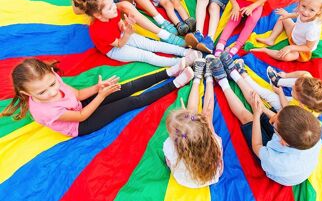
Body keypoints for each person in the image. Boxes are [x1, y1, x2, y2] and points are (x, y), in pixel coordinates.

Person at [0, 58, 194, 137]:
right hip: (81, 123)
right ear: (27, 94)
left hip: (78, 105)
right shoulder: (45, 110)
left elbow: (76, 95)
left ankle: (169, 72)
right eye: (42, 92)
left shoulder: (52, 78)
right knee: (131, 101)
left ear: (52, 73)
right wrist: (101, 96)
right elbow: (82, 116)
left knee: (126, 87)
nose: (51, 92)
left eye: (52, 84)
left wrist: (98, 87)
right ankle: (175, 84)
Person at [209, 56, 322, 186]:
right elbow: (278, 117)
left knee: (247, 117)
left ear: (282, 140)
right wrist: (261, 109)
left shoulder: (275, 160)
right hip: (290, 147)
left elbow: (257, 146)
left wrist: (257, 117)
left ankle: (223, 81)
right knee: (257, 103)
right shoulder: (312, 130)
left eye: (274, 124)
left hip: (277, 167)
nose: (272, 119)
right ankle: (234, 74)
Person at [73, 0, 202, 67]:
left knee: (153, 44)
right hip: (114, 49)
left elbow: (118, 24)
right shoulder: (98, 30)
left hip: (122, 34)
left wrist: (125, 25)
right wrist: (128, 33)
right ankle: (180, 62)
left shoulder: (113, 11)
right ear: (98, 15)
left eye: (112, 3)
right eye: (109, 8)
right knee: (145, 55)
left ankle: (184, 51)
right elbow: (119, 44)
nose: (114, 7)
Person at [163, 55, 223, 188]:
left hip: (184, 180)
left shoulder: (169, 146)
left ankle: (197, 78)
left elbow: (169, 159)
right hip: (211, 177)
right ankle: (208, 79)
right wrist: (208, 124)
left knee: (192, 111)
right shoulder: (214, 143)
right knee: (208, 115)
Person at [252, 0, 322, 61]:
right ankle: (271, 39)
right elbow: (298, 14)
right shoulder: (304, 13)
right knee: (282, 18)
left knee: (286, 56)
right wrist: (287, 15)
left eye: (311, 10)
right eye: (303, 6)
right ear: (300, 1)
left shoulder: (313, 29)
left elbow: (308, 47)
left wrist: (291, 47)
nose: (305, 12)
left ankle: (266, 50)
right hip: (294, 34)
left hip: (301, 49)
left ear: (319, 11)